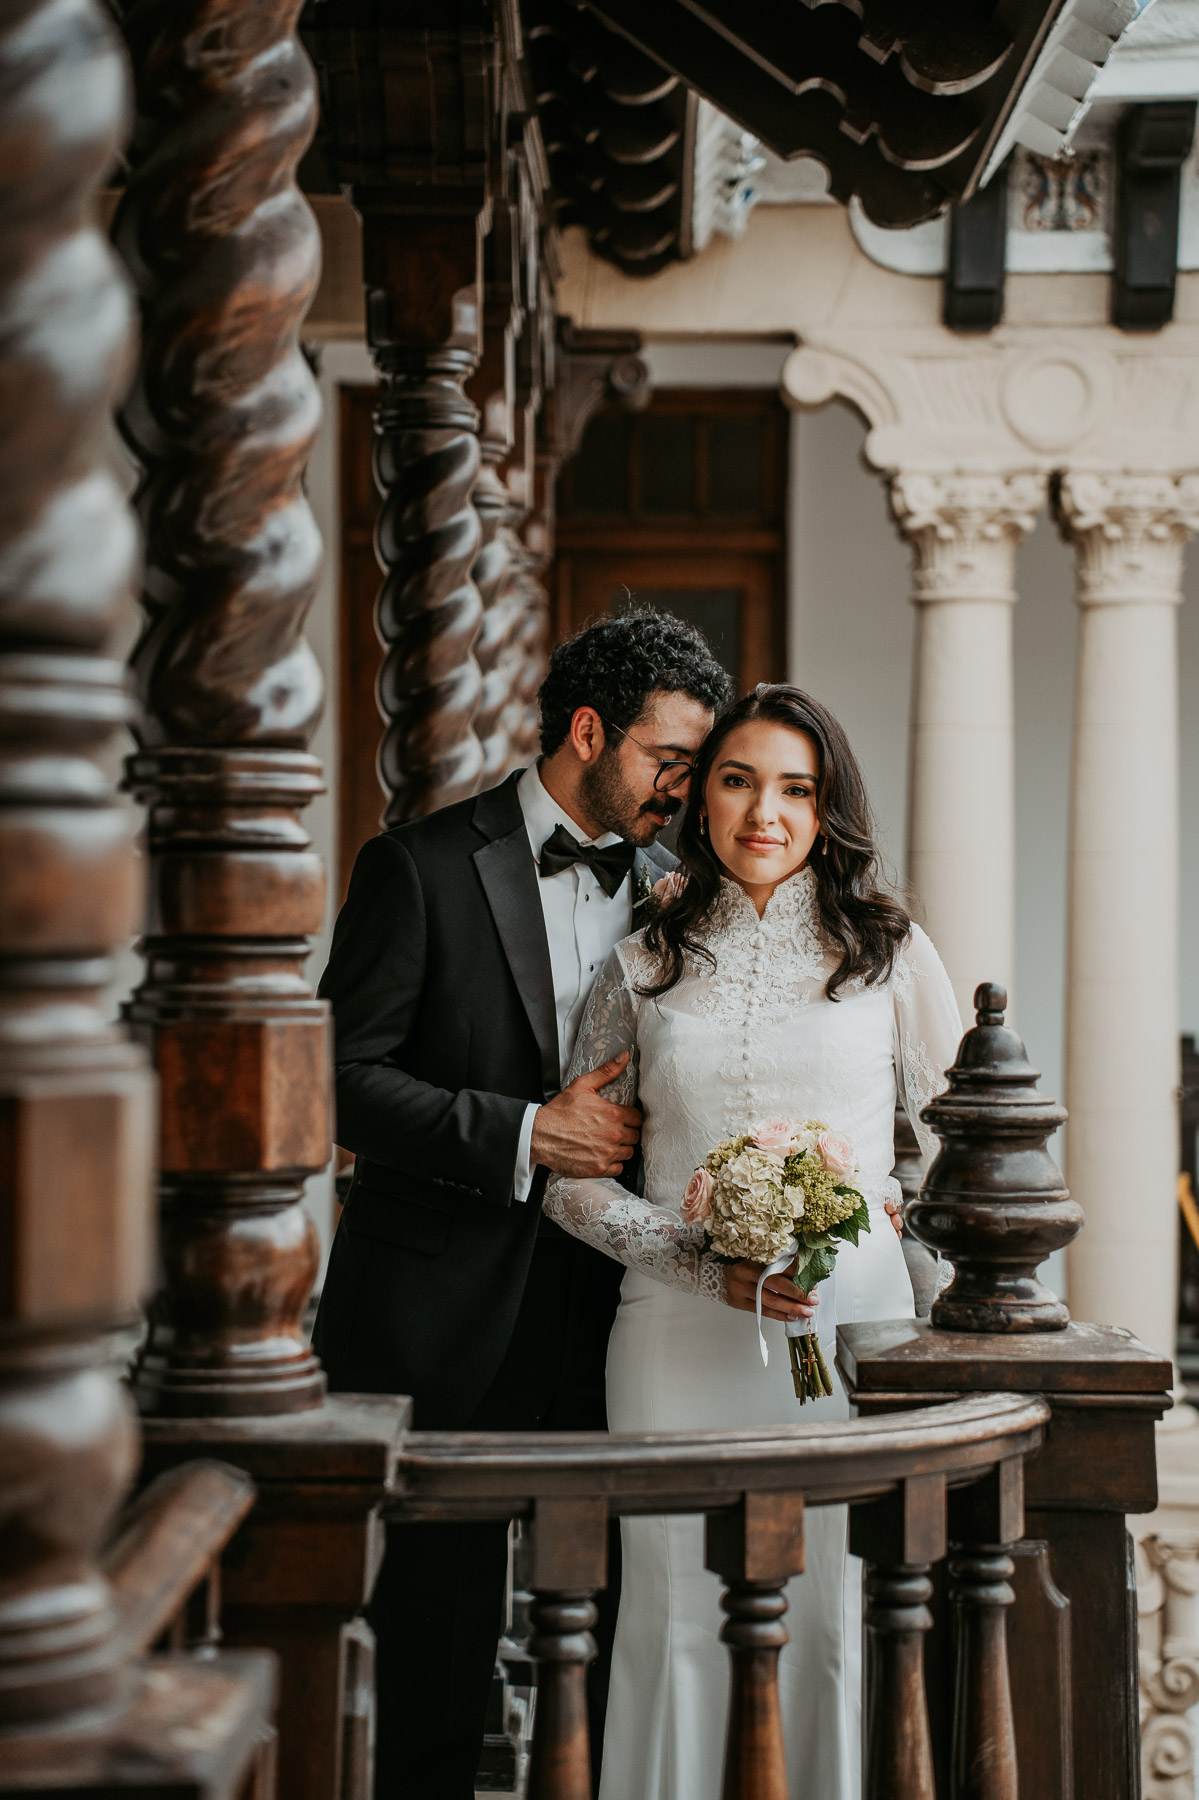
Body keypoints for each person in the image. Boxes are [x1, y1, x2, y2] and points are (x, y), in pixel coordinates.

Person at [312, 609, 731, 1799]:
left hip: (612, 1310)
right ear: (587, 730)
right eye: (669, 760)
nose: (682, 792)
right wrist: (522, 1132)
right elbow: (338, 1078)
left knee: (601, 1633)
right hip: (443, 1311)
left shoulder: (678, 890)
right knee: (433, 1654)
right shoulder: (419, 866)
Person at [543, 683, 964, 1800]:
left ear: (829, 808)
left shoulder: (885, 953)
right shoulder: (640, 965)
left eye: (794, 787)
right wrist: (704, 1266)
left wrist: (886, 1244)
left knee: (830, 1610)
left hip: (845, 1332)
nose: (762, 812)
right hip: (672, 1337)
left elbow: (963, 1154)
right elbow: (571, 1188)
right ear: (702, 795)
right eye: (736, 780)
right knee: (671, 1609)